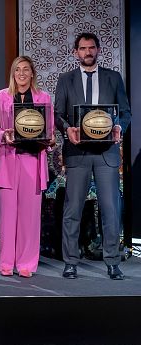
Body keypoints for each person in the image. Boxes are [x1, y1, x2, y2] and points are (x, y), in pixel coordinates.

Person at [54, 32, 131, 280]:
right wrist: (67, 129)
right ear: (76, 52)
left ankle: (112, 261)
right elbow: (57, 114)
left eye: (91, 48)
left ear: (98, 50)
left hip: (107, 153)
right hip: (77, 152)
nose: (87, 52)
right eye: (83, 48)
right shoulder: (66, 79)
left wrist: (119, 126)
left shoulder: (113, 78)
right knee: (73, 210)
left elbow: (125, 112)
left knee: (111, 210)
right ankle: (70, 262)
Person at [0, 56, 55, 277]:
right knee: (7, 216)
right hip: (8, 160)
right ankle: (7, 263)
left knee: (29, 216)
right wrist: (3, 135)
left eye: (26, 69)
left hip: (32, 160)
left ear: (32, 73)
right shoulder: (1, 97)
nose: (22, 73)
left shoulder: (43, 97)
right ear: (13, 73)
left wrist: (51, 139)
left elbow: (51, 131)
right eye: (18, 69)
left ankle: (27, 263)